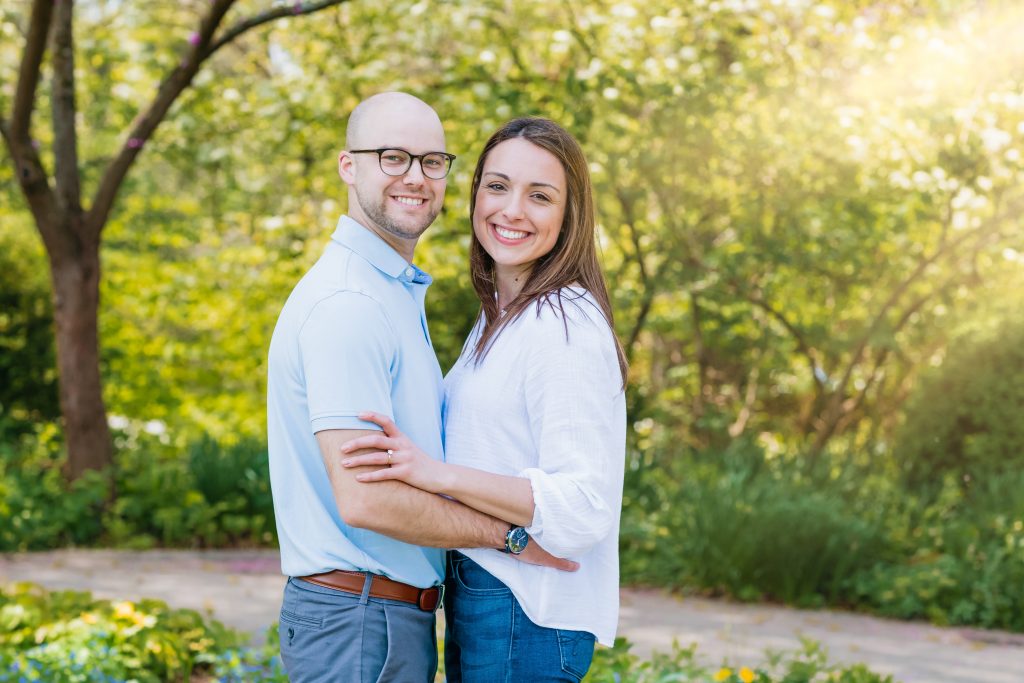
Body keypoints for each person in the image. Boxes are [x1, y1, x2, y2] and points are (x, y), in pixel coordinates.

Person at [267, 96, 574, 683]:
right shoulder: (349, 304)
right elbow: (367, 500)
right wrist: (508, 537)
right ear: (348, 166)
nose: (416, 176)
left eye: (433, 161)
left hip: (378, 618)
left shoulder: (389, 291)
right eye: (393, 157)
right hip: (358, 622)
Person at [340, 117, 629, 682]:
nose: (512, 210)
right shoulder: (500, 316)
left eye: (539, 196)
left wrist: (435, 474)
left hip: (527, 611)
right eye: (497, 187)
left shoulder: (563, 323)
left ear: (570, 215)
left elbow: (583, 505)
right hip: (490, 594)